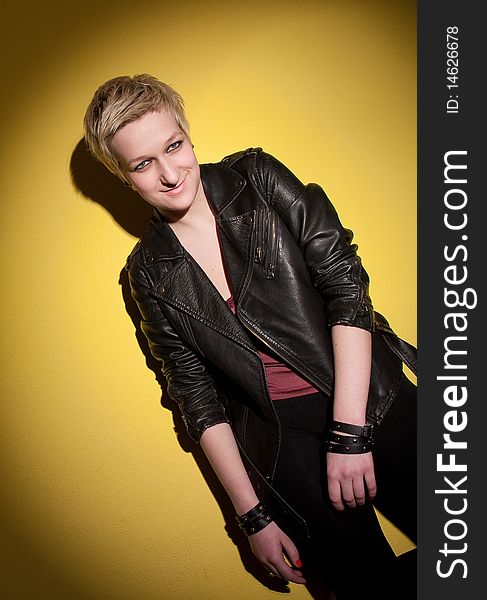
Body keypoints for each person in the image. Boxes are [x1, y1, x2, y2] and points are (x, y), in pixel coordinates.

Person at [83, 74, 417, 599]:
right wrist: (252, 516)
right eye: (143, 164)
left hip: (369, 393)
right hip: (282, 439)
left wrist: (350, 432)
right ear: (122, 177)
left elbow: (345, 287)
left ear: (188, 134)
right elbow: (196, 399)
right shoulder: (147, 273)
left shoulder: (256, 177)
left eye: (174, 146)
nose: (171, 173)